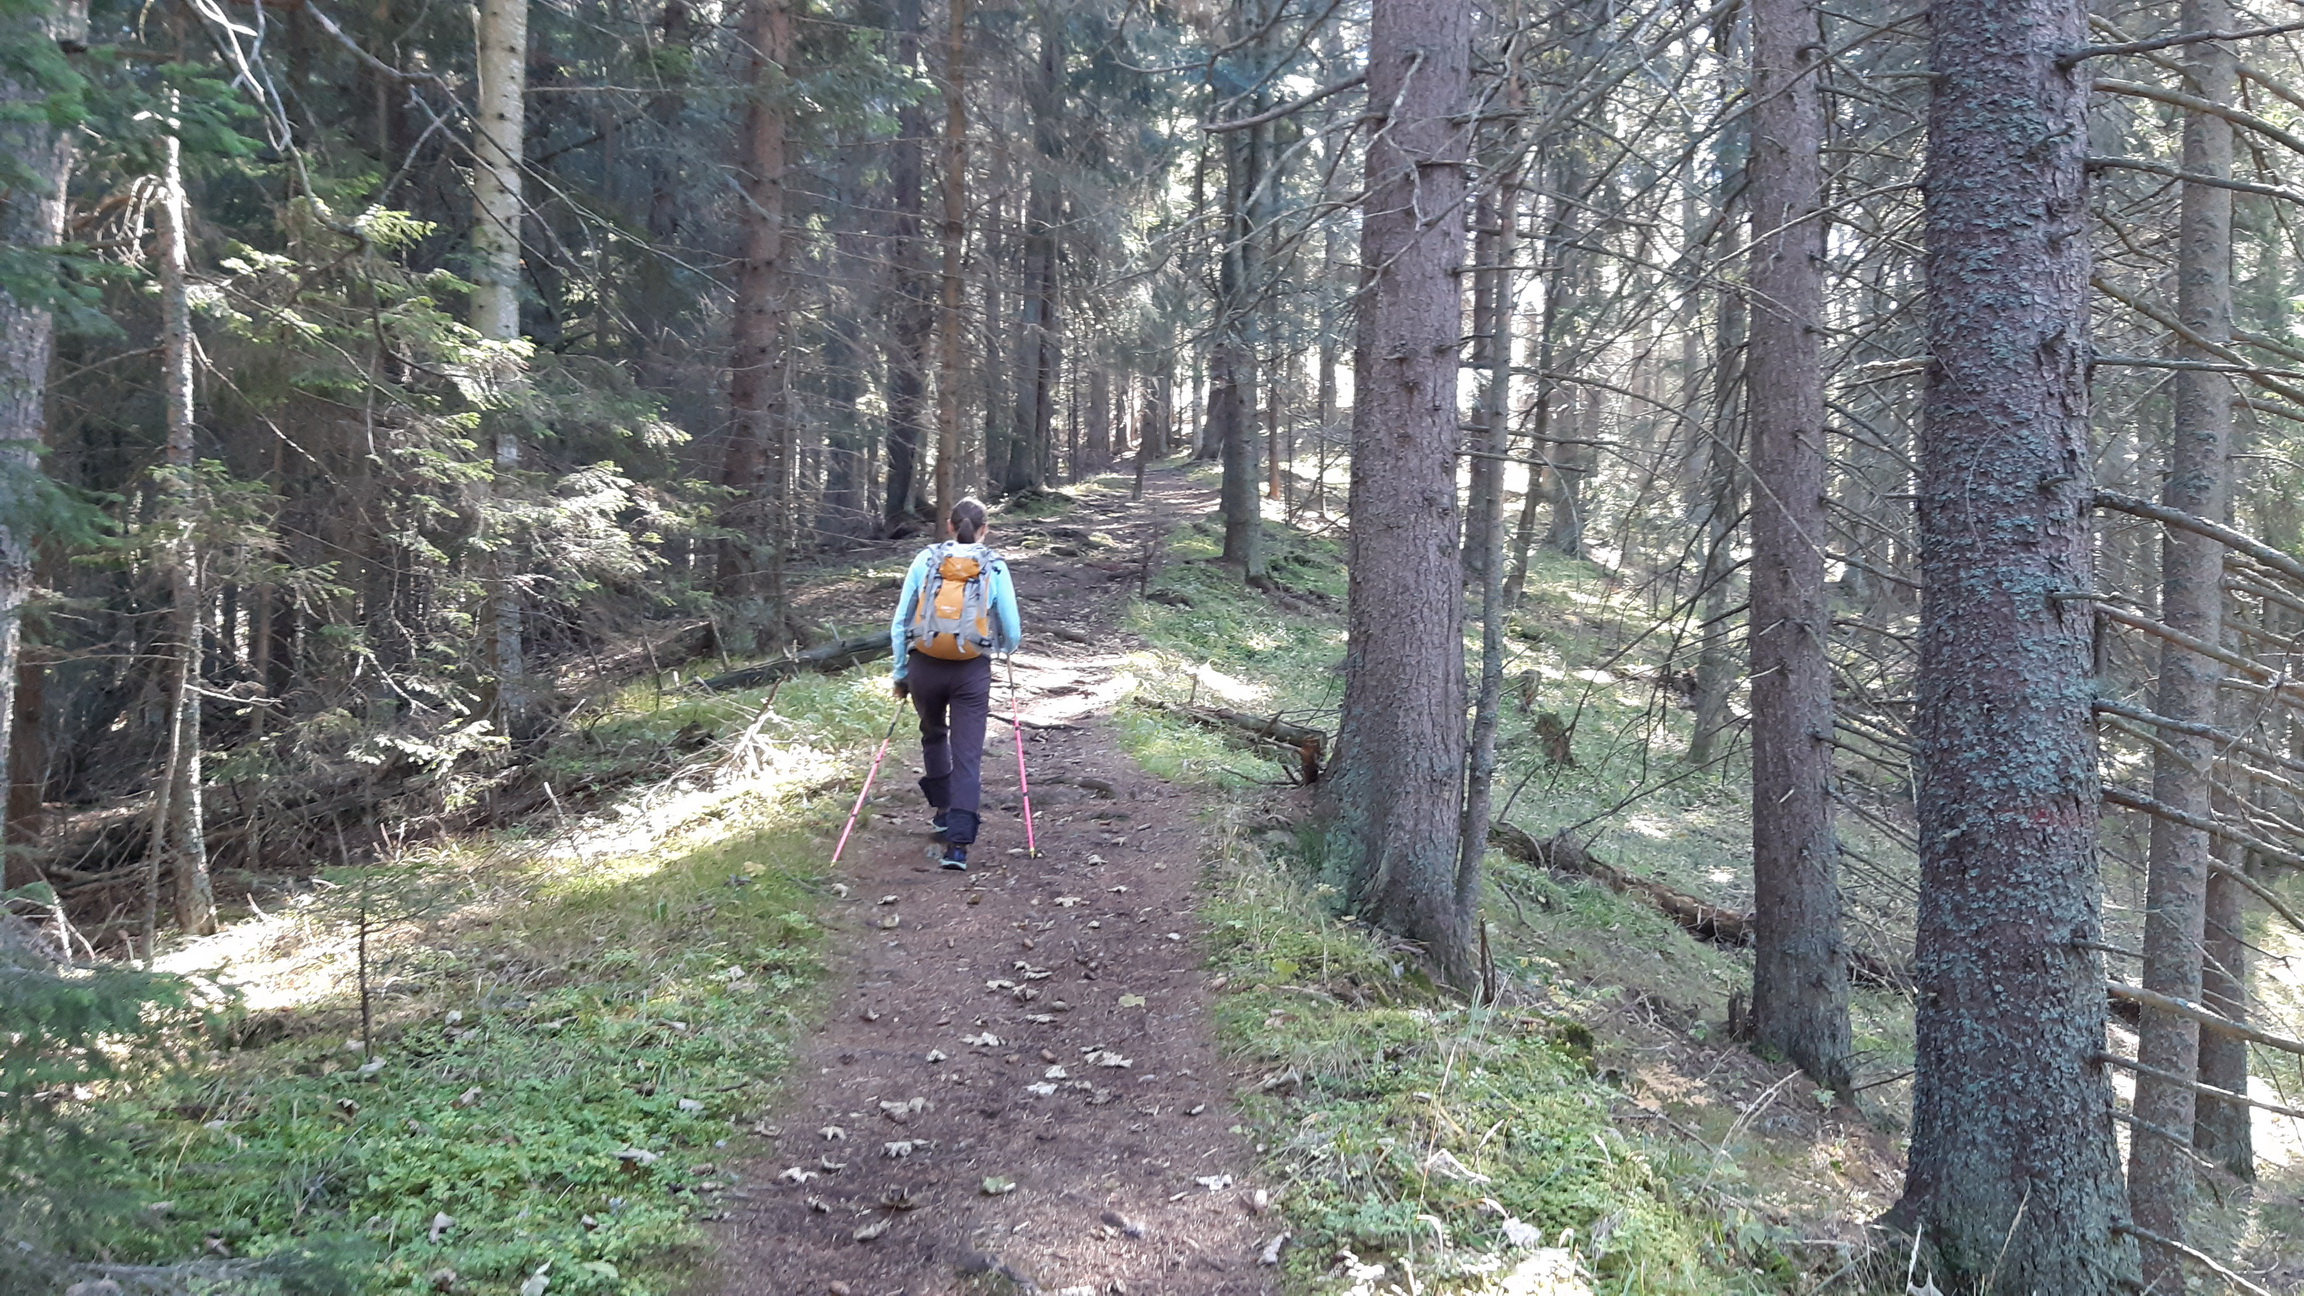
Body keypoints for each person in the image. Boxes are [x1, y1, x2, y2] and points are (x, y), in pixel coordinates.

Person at [889, 498, 1022, 871]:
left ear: (949, 525)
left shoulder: (925, 560)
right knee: (967, 753)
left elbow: (901, 622)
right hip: (971, 670)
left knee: (933, 734)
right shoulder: (995, 565)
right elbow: (1011, 628)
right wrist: (1002, 647)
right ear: (985, 529)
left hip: (924, 665)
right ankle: (958, 847)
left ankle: (943, 812)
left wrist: (900, 672)